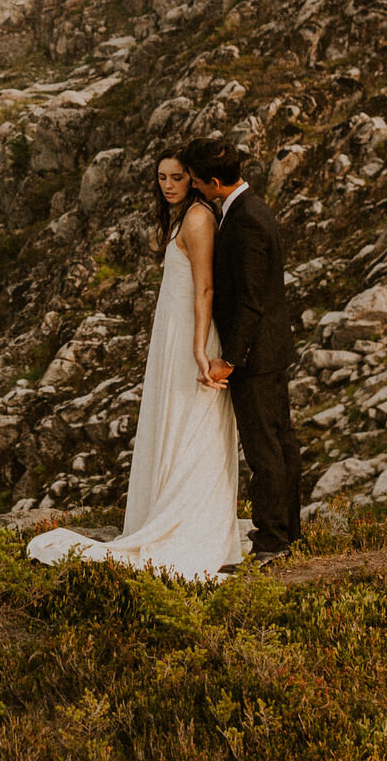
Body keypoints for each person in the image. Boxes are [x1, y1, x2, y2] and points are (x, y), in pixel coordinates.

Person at [24, 152, 249, 579]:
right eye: (162, 178)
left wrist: (201, 351)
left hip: (191, 333)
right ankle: (174, 513)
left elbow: (205, 289)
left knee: (192, 423)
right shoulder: (185, 217)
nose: (168, 185)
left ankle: (194, 527)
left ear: (195, 180)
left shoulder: (198, 219)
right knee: (177, 420)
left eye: (178, 177)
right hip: (175, 331)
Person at [185, 138, 301, 561]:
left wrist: (229, 359)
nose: (194, 188)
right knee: (281, 442)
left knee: (264, 448)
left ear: (214, 182)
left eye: (197, 182)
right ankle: (289, 531)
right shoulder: (248, 207)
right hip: (270, 350)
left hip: (256, 356)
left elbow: (251, 300)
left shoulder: (247, 220)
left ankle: (272, 542)